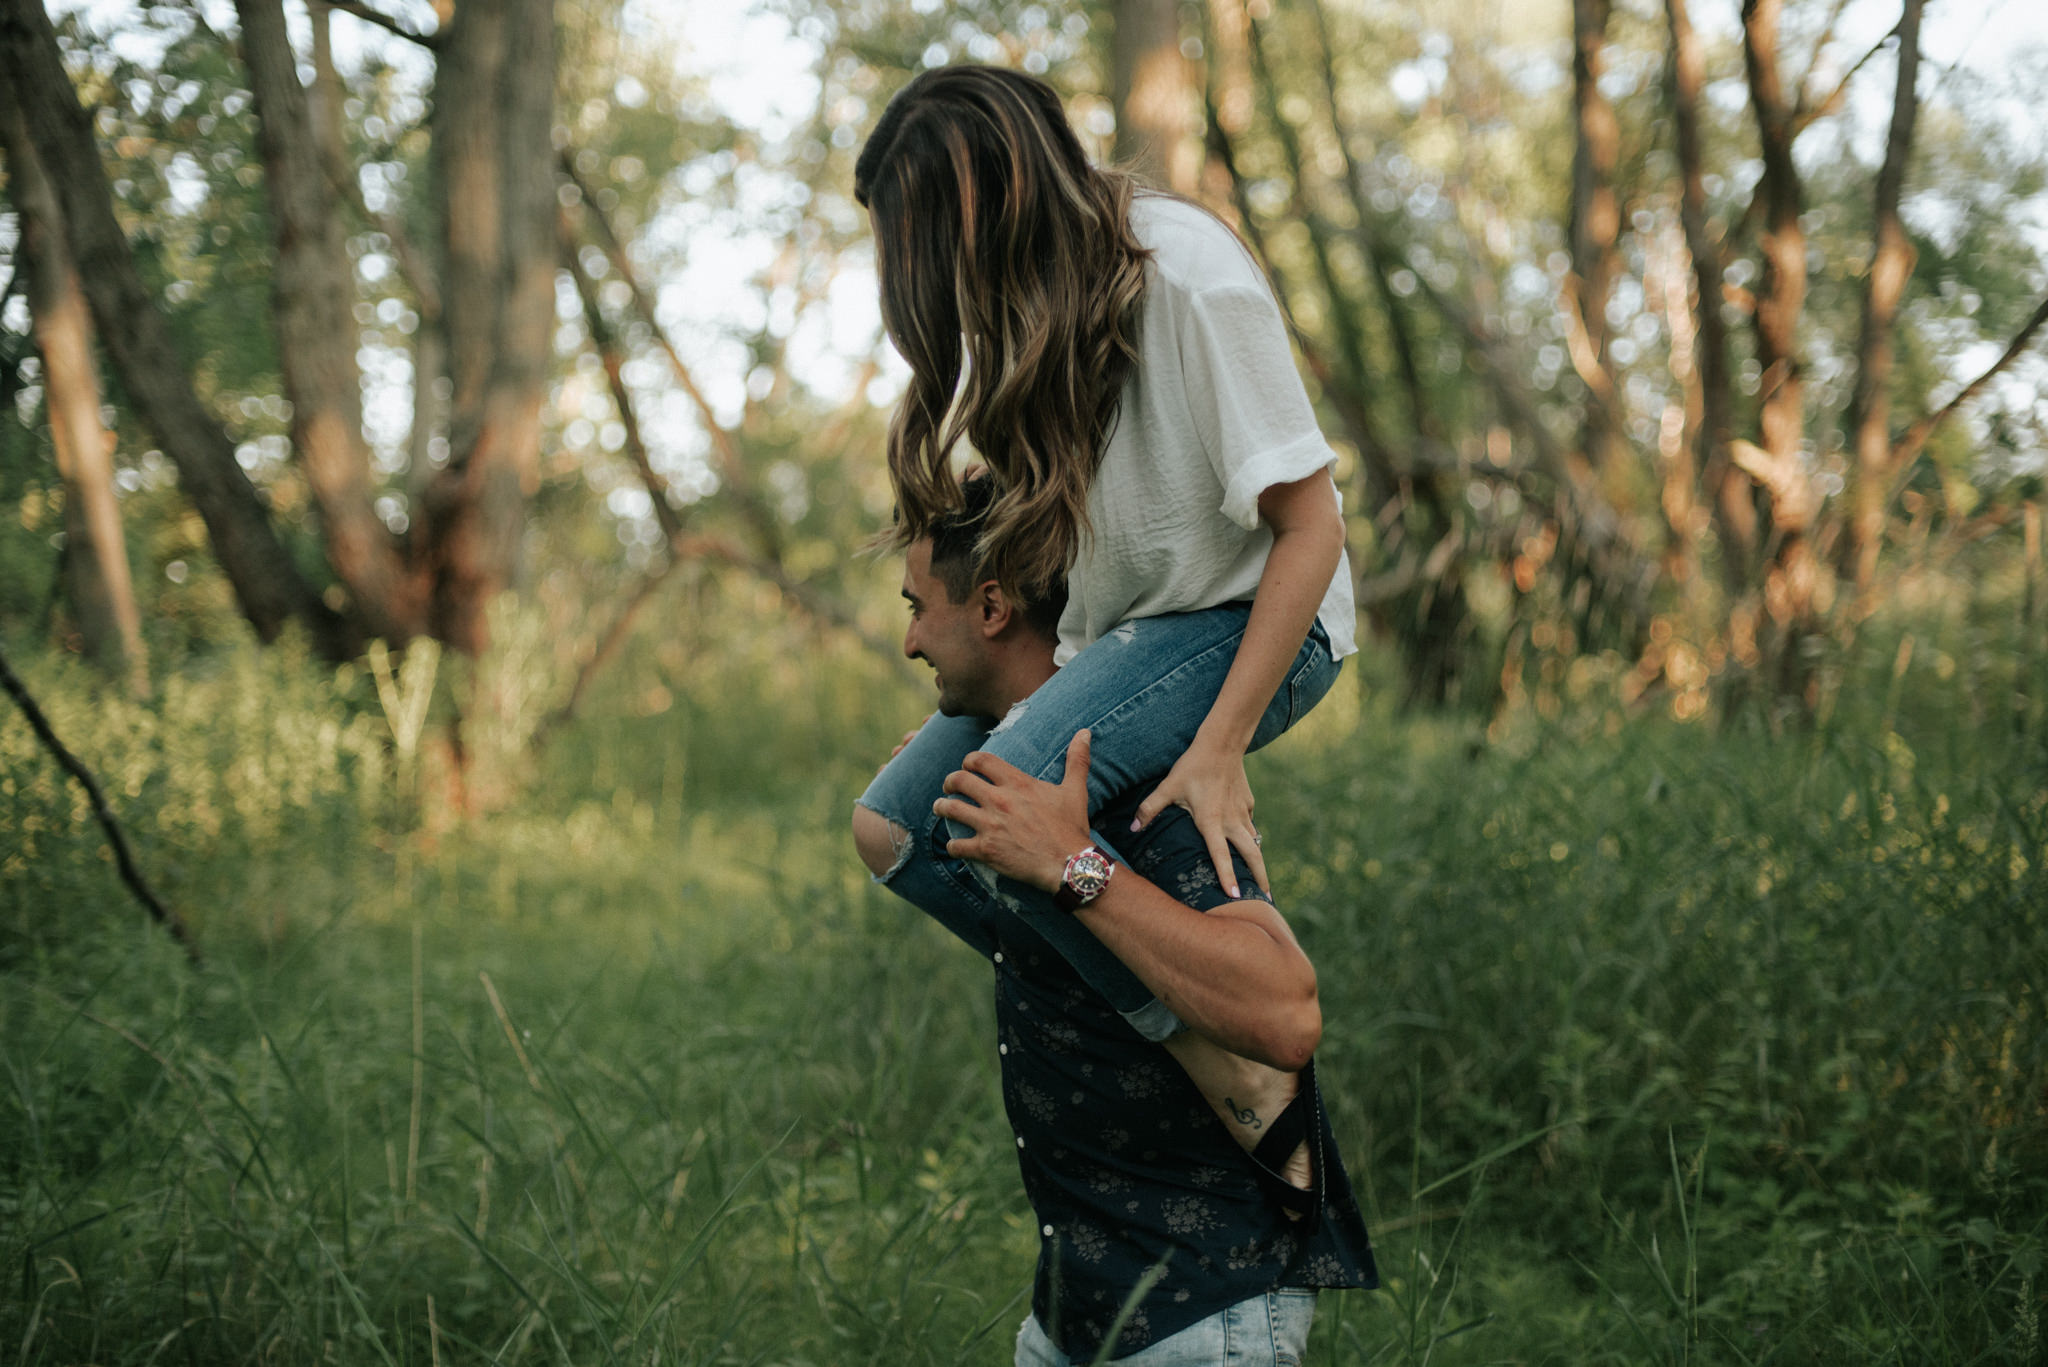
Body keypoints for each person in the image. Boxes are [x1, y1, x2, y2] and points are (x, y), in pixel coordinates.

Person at [852, 64, 1357, 1074]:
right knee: (900, 821)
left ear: (985, 205)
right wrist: (1012, 697)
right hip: (1128, 639)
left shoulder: (1185, 275)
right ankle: (1133, 1007)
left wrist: (1216, 749)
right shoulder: (1030, 311)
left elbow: (1313, 529)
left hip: (1256, 619)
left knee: (1016, 791)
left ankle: (1203, 1051)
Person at [854, 494, 1375, 1364]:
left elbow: (1286, 1014)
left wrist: (1077, 869)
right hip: (1072, 1310)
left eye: (917, 607)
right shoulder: (1013, 803)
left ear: (992, 608)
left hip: (1201, 1314)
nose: (908, 640)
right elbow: (888, 835)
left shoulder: (1137, 794)